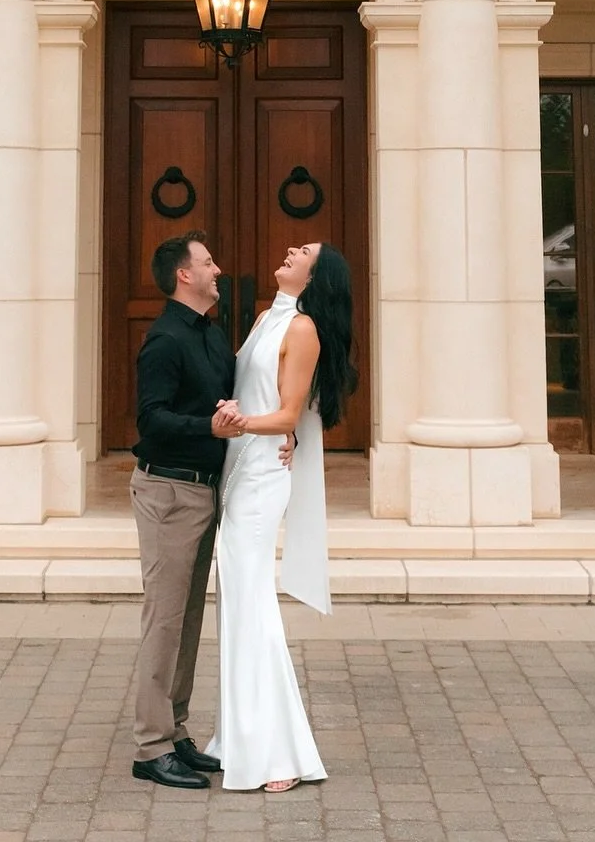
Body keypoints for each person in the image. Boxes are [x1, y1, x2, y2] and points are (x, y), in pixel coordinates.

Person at [208, 241, 358, 794]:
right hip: (237, 467)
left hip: (260, 476)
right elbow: (263, 397)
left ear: (317, 277)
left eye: (306, 252)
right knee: (237, 609)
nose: (293, 249)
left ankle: (279, 753)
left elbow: (288, 412)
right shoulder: (269, 317)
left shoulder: (302, 330)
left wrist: (240, 424)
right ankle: (239, 738)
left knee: (252, 606)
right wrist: (245, 424)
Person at [129, 230, 241, 791]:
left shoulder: (212, 335)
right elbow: (151, 419)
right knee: (165, 620)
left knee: (188, 619)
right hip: (168, 492)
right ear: (184, 275)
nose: (217, 269)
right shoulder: (165, 339)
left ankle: (174, 732)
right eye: (208, 262)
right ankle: (150, 748)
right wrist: (208, 427)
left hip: (204, 490)